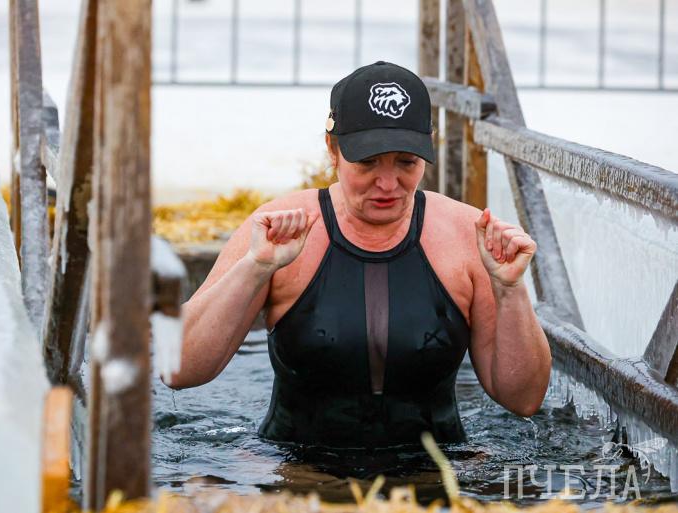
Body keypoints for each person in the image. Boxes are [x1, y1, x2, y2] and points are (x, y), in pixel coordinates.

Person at [168, 61, 551, 448]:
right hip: (297, 469)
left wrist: (511, 289)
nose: (387, 183)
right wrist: (255, 268)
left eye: (407, 162)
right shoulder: (276, 228)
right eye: (367, 162)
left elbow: (523, 400)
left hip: (435, 471)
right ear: (332, 149)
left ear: (428, 147)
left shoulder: (468, 234)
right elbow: (178, 369)